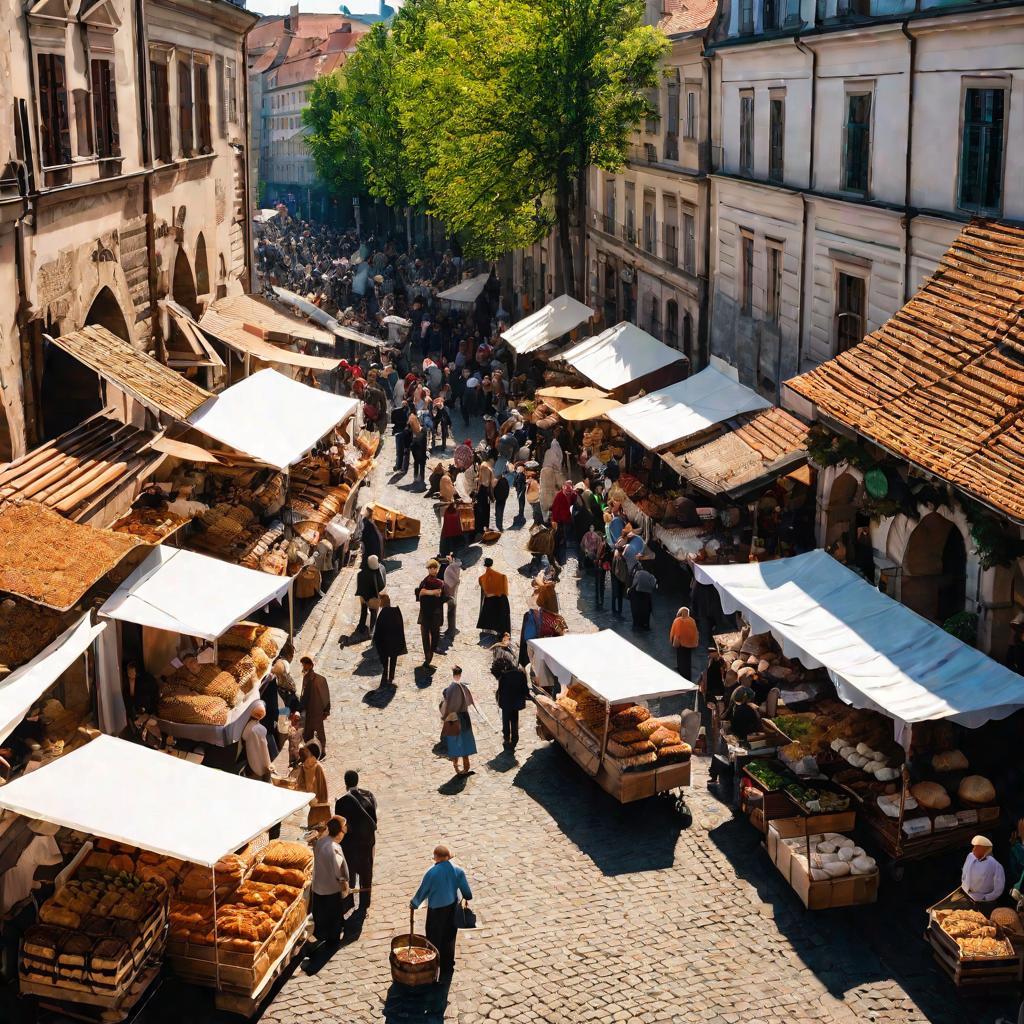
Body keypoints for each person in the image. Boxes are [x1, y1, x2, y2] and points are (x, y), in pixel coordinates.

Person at [410, 846, 473, 976]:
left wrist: (414, 904)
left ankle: (434, 963)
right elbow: (467, 893)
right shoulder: (458, 871)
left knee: (434, 937)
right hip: (452, 908)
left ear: (436, 858)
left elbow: (423, 891)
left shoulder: (431, 873)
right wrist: (467, 897)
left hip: (436, 911)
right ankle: (448, 964)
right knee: (450, 936)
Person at [335, 770, 377, 910]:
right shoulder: (369, 798)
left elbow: (340, 825)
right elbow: (374, 821)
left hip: (350, 847)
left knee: (349, 875)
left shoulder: (341, 802)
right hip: (366, 846)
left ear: (345, 783)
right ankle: (365, 903)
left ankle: (349, 902)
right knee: (366, 874)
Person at [241, 702, 281, 839]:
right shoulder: (259, 730)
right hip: (260, 768)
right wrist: (268, 764)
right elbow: (264, 751)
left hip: (251, 767)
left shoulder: (247, 729)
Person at [311, 816, 350, 948]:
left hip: (318, 886)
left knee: (321, 915)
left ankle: (320, 935)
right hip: (331, 888)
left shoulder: (321, 842)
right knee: (333, 916)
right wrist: (344, 883)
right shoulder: (335, 848)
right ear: (339, 832)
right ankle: (332, 940)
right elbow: (339, 870)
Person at [440, 666, 477, 776]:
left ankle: (457, 768)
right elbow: (469, 701)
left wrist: (444, 716)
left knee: (455, 743)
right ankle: (466, 767)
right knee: (465, 741)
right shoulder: (463, 687)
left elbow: (448, 705)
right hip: (464, 717)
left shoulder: (450, 688)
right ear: (460, 674)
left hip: (453, 718)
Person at [494, 658, 529, 753]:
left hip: (506, 703)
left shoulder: (503, 676)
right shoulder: (521, 674)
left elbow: (500, 690)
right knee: (514, 720)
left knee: (505, 721)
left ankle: (506, 738)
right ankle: (514, 738)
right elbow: (525, 689)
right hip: (516, 702)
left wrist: (498, 700)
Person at [416, 560, 446, 669]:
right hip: (433, 614)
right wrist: (433, 593)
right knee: (433, 636)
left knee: (427, 637)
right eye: (431, 568)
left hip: (425, 614)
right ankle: (429, 657)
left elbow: (418, 595)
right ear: (428, 569)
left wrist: (425, 592)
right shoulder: (440, 583)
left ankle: (428, 657)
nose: (433, 570)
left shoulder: (423, 582)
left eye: (434, 568)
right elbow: (442, 598)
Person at [372, 593, 406, 687]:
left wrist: (376, 641)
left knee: (385, 660)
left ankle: (385, 675)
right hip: (395, 641)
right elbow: (400, 627)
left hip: (385, 643)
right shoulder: (396, 611)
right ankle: (391, 677)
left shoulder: (382, 614)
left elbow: (378, 630)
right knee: (393, 660)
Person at [962, 835, 1006, 909]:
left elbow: (999, 887)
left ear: (985, 850)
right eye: (974, 847)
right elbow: (965, 872)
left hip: (982, 901)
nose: (973, 850)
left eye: (977, 848)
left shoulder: (995, 865)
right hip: (966, 895)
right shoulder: (970, 856)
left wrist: (986, 898)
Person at [300, 656, 331, 754]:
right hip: (314, 711)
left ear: (310, 665)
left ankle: (317, 750)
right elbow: (326, 696)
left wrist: (326, 710)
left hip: (314, 711)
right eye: (303, 664)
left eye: (305, 664)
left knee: (313, 732)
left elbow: (325, 696)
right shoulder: (318, 679)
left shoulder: (314, 679)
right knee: (315, 731)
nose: (303, 666)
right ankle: (316, 750)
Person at [297, 743, 331, 828]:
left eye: (307, 751)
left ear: (311, 753)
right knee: (313, 827)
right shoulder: (304, 766)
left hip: (320, 802)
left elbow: (322, 785)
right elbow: (301, 783)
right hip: (312, 801)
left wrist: (319, 799)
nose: (305, 752)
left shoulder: (318, 767)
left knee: (321, 827)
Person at [476, 558, 511, 636]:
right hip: (502, 599)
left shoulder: (482, 578)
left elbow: (485, 592)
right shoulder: (502, 576)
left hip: (490, 600)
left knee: (490, 617)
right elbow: (505, 591)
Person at [355, 554, 386, 635]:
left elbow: (359, 587)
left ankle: (361, 628)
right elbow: (383, 584)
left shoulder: (361, 574)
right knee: (373, 613)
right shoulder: (381, 569)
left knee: (363, 611)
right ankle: (372, 630)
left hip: (363, 596)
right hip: (374, 597)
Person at [669, 607, 699, 679]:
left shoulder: (678, 621)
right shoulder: (692, 620)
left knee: (681, 659)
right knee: (688, 659)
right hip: (690, 644)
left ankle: (682, 673)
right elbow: (695, 632)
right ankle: (688, 674)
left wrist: (672, 641)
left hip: (681, 644)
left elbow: (675, 633)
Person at [628, 563, 658, 631]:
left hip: (637, 595)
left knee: (637, 610)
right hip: (647, 595)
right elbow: (654, 585)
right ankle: (645, 625)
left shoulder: (638, 573)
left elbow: (634, 584)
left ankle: (637, 625)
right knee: (646, 611)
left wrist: (629, 590)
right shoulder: (651, 575)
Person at [443, 555, 461, 632]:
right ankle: (451, 628)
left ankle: (451, 628)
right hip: (451, 593)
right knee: (451, 610)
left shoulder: (450, 567)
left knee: (451, 610)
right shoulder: (452, 567)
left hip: (449, 592)